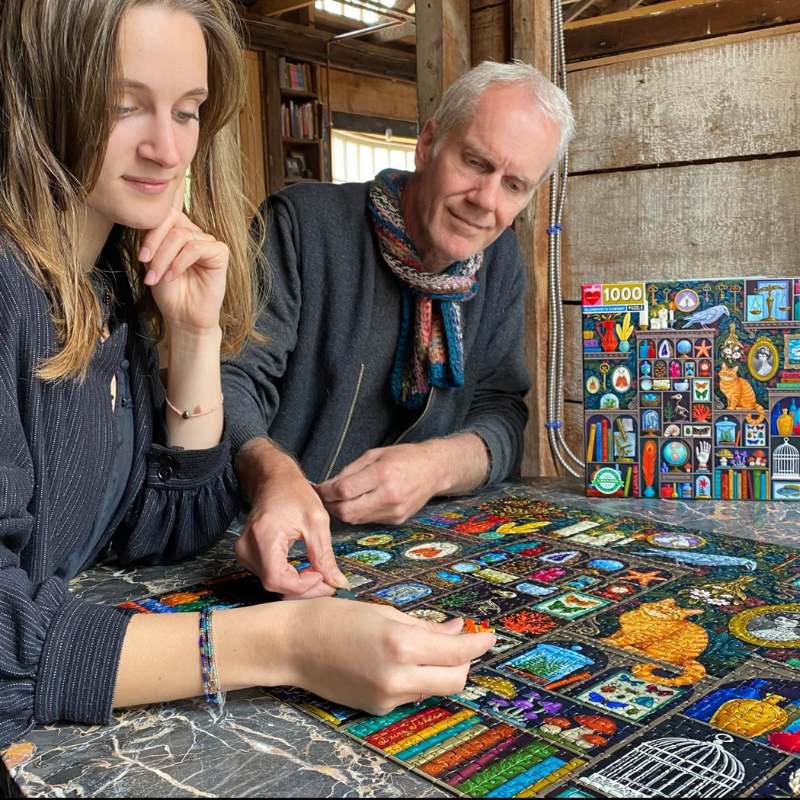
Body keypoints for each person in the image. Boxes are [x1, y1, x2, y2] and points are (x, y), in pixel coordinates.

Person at [0, 0, 494, 750]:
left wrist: (195, 337)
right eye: (124, 107)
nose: (168, 149)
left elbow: (161, 529)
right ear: (44, 94)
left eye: (189, 111)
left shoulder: (110, 280)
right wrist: (285, 644)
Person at [223, 61, 575, 599]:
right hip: (264, 552)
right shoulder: (299, 226)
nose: (486, 200)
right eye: (474, 162)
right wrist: (272, 473)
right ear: (428, 143)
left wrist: (435, 466)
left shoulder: (499, 259)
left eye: (514, 185)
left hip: (414, 562)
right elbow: (229, 383)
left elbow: (503, 412)